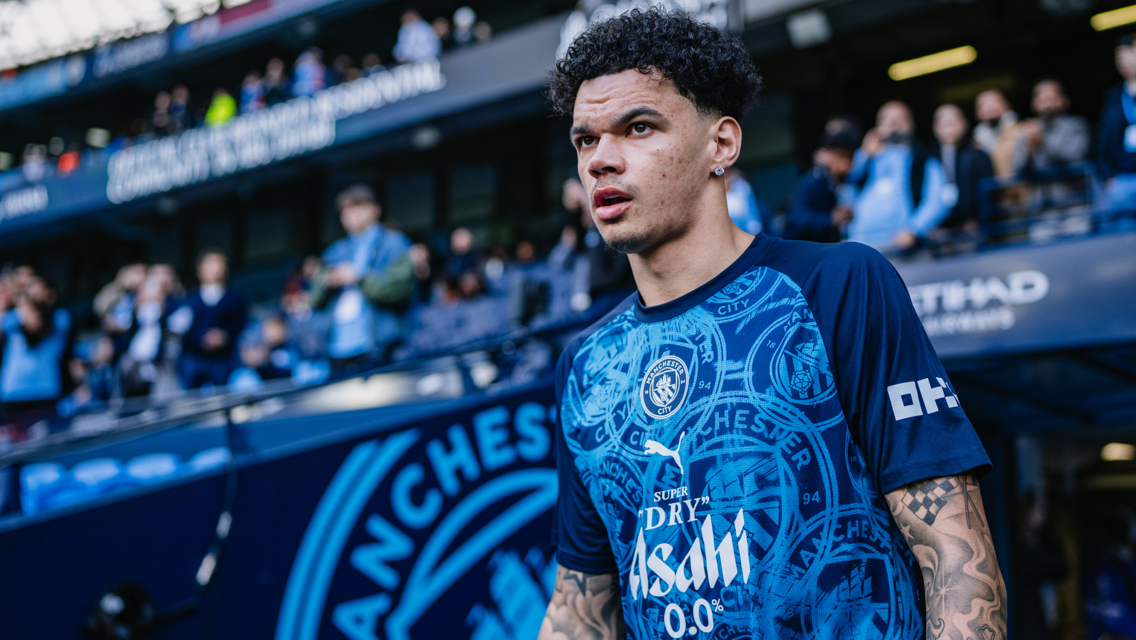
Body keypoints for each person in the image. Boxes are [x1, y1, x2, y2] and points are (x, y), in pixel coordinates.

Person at [540, 8, 1005, 640]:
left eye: (638, 127)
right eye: (586, 140)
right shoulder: (586, 365)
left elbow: (957, 557)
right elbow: (579, 610)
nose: (600, 161)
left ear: (721, 144)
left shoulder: (839, 284)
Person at [309, 185, 413, 369]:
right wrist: (326, 282)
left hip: (380, 348)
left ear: (374, 210)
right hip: (337, 350)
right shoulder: (334, 252)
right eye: (344, 210)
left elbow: (398, 291)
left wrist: (359, 277)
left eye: (356, 206)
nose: (349, 214)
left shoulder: (395, 244)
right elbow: (314, 299)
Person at [847, 100, 950, 251]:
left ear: (912, 125)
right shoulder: (864, 159)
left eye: (901, 118)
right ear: (877, 127)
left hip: (898, 246)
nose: (894, 122)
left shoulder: (923, 160)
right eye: (887, 119)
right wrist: (864, 154)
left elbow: (937, 201)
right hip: (859, 243)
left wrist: (914, 229)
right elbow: (845, 187)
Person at [0, 275, 71, 416]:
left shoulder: (60, 316)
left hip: (45, 390)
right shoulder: (12, 315)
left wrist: (19, 296)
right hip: (13, 392)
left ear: (50, 294)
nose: (30, 290)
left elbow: (34, 325)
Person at [177, 250, 247, 389]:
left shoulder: (234, 298)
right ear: (200, 270)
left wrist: (224, 336)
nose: (216, 269)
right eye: (211, 264)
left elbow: (240, 323)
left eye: (219, 264)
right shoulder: (191, 299)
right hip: (195, 358)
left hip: (223, 359)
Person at [785, 116, 860, 242]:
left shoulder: (849, 182)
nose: (846, 164)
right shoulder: (812, 182)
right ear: (827, 154)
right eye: (841, 156)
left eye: (851, 157)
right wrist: (832, 219)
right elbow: (797, 220)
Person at [932, 104, 994, 231]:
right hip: (940, 226)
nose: (949, 129)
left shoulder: (978, 155)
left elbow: (989, 193)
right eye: (944, 124)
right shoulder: (931, 159)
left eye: (953, 123)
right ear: (935, 128)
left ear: (964, 124)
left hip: (973, 226)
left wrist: (978, 220)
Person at [1012, 78, 1090, 175]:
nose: (1046, 104)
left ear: (1064, 100)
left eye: (1051, 98)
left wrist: (1043, 141)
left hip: (1073, 188)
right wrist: (1029, 152)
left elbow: (1076, 159)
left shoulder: (1077, 125)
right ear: (1033, 103)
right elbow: (1018, 170)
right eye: (1042, 99)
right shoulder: (1029, 128)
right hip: (1040, 189)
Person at [1098, 33, 1136, 214]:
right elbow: (1103, 141)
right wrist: (1109, 178)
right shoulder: (1113, 97)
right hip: (1122, 180)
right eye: (1118, 57)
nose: (1122, 62)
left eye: (1127, 54)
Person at [973, 89, 1023, 178]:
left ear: (1006, 106)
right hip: (992, 189)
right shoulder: (976, 143)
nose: (989, 107)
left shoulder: (1021, 131)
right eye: (984, 104)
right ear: (978, 113)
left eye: (994, 102)